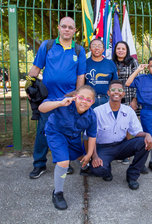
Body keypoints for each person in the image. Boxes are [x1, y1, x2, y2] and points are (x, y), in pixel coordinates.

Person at [25, 17, 86, 179]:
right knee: (43, 132)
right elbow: (36, 68)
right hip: (48, 100)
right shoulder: (47, 45)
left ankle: (63, 162)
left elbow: (81, 76)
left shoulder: (79, 50)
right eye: (64, 26)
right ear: (59, 28)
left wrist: (77, 96)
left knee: (67, 133)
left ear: (74, 31)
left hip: (69, 100)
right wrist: (30, 87)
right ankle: (39, 164)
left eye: (70, 27)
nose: (67, 29)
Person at [82, 80, 152, 190]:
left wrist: (147, 135)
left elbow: (136, 132)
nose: (117, 92)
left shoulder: (129, 111)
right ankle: (106, 171)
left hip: (121, 146)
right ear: (108, 93)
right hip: (103, 148)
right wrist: (94, 156)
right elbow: (89, 136)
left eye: (120, 90)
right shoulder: (97, 112)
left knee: (143, 143)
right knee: (98, 169)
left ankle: (132, 176)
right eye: (113, 90)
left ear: (123, 94)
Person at [39, 85, 97, 210]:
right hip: (56, 133)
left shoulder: (92, 116)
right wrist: (59, 103)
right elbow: (41, 108)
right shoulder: (64, 103)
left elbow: (92, 136)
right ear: (75, 97)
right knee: (64, 162)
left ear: (93, 102)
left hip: (73, 136)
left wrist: (89, 154)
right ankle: (57, 193)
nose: (84, 101)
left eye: (88, 99)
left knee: (82, 157)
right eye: (81, 97)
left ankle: (85, 167)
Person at [126, 56, 152, 174]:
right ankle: (142, 163)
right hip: (147, 112)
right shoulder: (142, 79)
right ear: (148, 67)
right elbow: (128, 82)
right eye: (151, 66)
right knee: (147, 137)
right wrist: (138, 70)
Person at [112, 41, 139, 165]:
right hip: (115, 97)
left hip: (129, 97)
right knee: (116, 123)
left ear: (127, 50)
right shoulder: (111, 62)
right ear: (115, 50)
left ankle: (127, 153)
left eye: (123, 48)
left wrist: (134, 99)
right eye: (118, 48)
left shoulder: (133, 62)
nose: (121, 51)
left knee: (127, 125)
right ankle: (118, 151)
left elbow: (138, 82)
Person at [85, 38, 118, 108]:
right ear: (90, 49)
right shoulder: (84, 63)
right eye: (94, 46)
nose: (97, 48)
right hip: (89, 100)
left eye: (99, 46)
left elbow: (115, 83)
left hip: (106, 100)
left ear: (103, 49)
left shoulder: (110, 64)